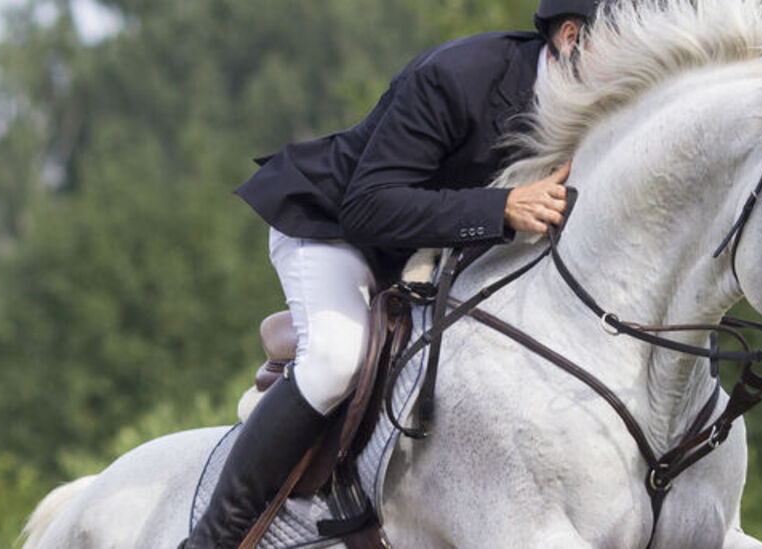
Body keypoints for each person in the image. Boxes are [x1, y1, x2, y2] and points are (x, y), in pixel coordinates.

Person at [183, 1, 601, 547]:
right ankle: (214, 537)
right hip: (331, 225)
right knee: (337, 357)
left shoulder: (602, 108)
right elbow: (368, 207)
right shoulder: (459, 76)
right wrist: (498, 209)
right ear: (571, 36)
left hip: (426, 253)